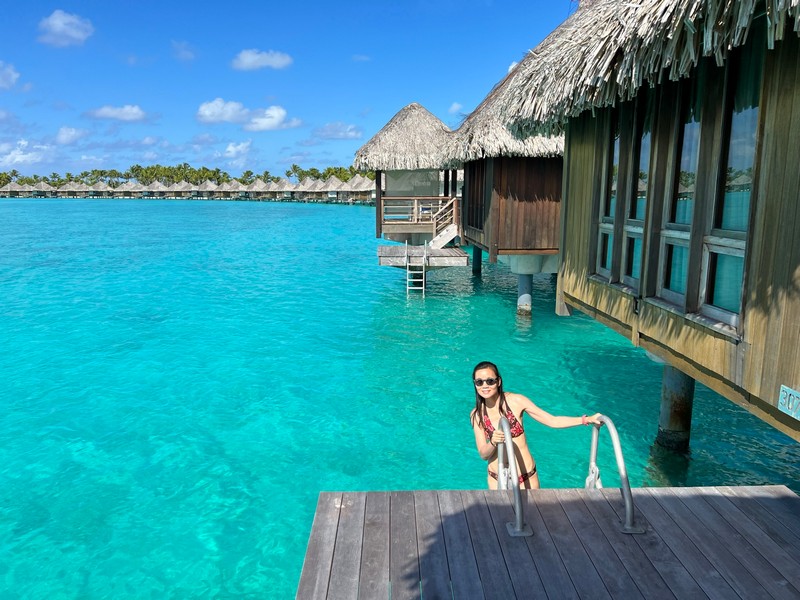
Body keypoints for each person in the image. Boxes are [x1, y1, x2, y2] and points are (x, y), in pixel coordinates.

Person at [470, 360, 602, 490]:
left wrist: (586, 419)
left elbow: (552, 420)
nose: (485, 386)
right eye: (479, 382)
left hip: (525, 478)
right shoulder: (477, 415)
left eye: (490, 381)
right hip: (496, 479)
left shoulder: (516, 401)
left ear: (498, 381)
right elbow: (483, 454)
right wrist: (493, 442)